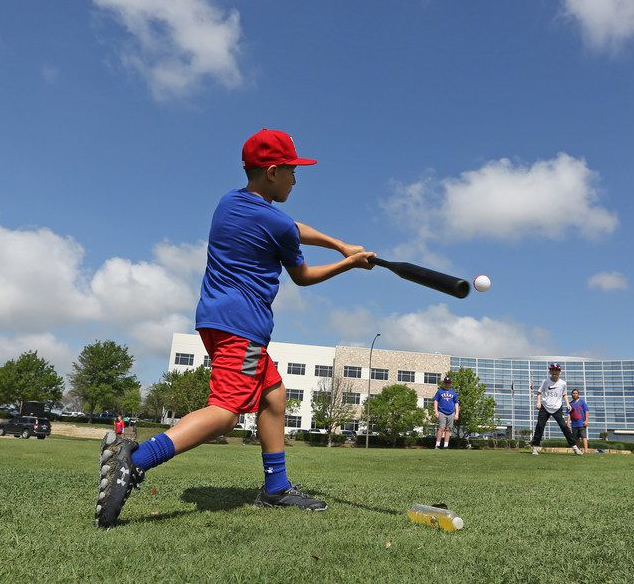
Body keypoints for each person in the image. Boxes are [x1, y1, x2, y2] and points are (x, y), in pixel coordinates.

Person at [95, 129, 376, 528]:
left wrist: (340, 243)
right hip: (241, 326)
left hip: (216, 318)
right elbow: (303, 275)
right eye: (293, 171)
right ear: (274, 172)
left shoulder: (231, 203)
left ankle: (276, 488)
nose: (296, 179)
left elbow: (292, 225)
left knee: (274, 397)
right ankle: (133, 462)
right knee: (225, 414)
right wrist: (349, 264)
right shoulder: (276, 224)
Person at [531, 363, 583, 456]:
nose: (554, 372)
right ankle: (535, 447)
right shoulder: (545, 381)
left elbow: (564, 394)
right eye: (553, 370)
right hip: (545, 407)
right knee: (540, 426)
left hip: (557, 408)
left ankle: (575, 447)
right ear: (550, 371)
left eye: (557, 370)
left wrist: (567, 404)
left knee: (564, 427)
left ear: (560, 372)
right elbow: (539, 393)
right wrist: (538, 402)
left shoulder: (563, 383)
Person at [432, 376, 459, 449]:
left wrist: (457, 414)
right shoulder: (440, 391)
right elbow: (435, 401)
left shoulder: (453, 392)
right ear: (444, 383)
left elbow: (456, 403)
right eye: (446, 383)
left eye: (448, 383)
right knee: (441, 428)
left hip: (451, 412)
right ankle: (437, 445)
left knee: (448, 429)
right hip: (442, 412)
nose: (447, 384)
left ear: (450, 383)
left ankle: (446, 445)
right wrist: (436, 411)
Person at [568, 388, 589, 454]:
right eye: (573, 393)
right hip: (574, 424)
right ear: (572, 394)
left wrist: (586, 420)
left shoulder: (582, 402)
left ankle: (586, 450)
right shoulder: (570, 403)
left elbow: (586, 411)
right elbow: (568, 413)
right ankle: (578, 450)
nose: (575, 394)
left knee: (584, 437)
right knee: (576, 438)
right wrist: (568, 422)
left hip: (581, 423)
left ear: (578, 394)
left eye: (576, 393)